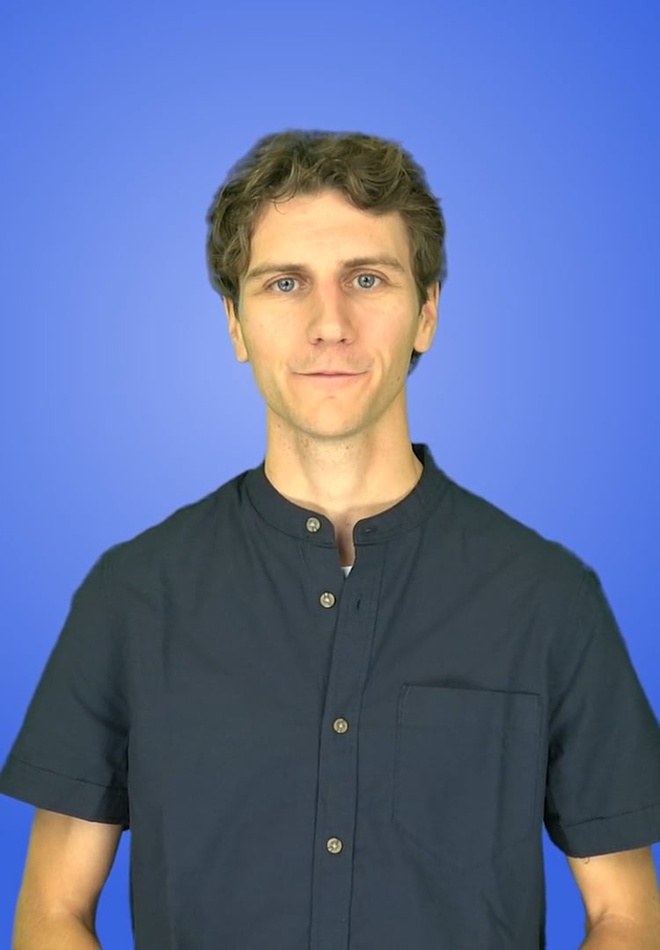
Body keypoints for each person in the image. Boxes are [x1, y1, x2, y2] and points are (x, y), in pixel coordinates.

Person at [1, 129, 660, 950]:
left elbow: (626, 915)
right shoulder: (133, 596)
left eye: (367, 279)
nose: (329, 324)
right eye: (285, 283)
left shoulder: (548, 599)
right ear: (235, 325)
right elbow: (52, 911)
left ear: (426, 313)